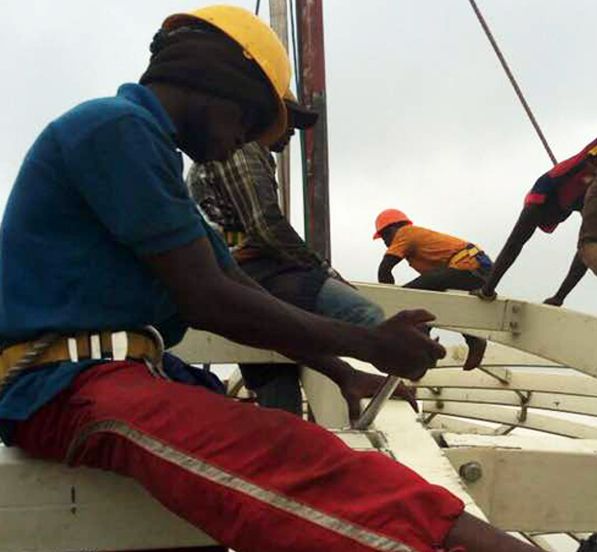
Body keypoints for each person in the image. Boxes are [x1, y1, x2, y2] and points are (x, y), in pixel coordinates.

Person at [0, 6, 539, 552]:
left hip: (120, 376)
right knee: (283, 458)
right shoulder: (114, 129)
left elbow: (239, 287)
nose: (242, 143)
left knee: (286, 445)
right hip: (63, 387)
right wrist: (369, 343)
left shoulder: (148, 157)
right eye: (248, 123)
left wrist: (339, 373)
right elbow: (210, 300)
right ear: (218, 82)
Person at [187, 94, 415, 419]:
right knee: (361, 310)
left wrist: (239, 244)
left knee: (277, 385)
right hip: (257, 270)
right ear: (265, 117)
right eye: (289, 124)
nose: (291, 134)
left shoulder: (219, 157)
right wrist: (324, 270)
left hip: (238, 272)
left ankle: (287, 451)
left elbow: (230, 228)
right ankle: (395, 387)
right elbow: (266, 225)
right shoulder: (245, 149)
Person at [473, 139, 597, 305]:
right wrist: (488, 289)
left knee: (587, 245)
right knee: (517, 240)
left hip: (573, 191)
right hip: (552, 193)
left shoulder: (579, 198)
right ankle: (488, 288)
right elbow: (514, 243)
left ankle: (558, 297)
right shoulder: (541, 198)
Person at [374, 209, 493, 371]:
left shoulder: (405, 233)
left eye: (384, 237)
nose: (386, 243)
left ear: (392, 229)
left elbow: (385, 269)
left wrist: (392, 301)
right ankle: (438, 343)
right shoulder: (418, 243)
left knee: (411, 296)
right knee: (431, 301)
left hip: (469, 267)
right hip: (475, 271)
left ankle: (424, 341)